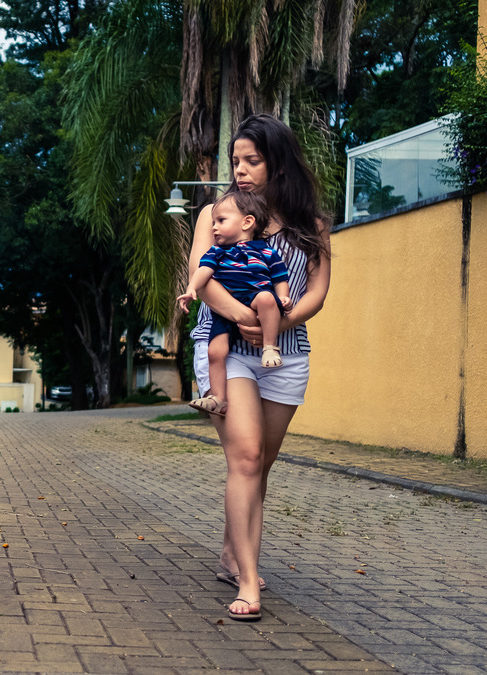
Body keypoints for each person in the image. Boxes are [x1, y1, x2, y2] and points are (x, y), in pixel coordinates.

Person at [186, 114, 331, 620]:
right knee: (245, 457)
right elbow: (202, 277)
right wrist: (246, 317)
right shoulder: (216, 213)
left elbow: (317, 290)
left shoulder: (309, 223)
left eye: (252, 160)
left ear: (278, 162)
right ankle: (249, 580)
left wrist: (282, 320)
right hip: (226, 347)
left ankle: (232, 551)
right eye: (235, 161)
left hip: (286, 353)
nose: (241, 170)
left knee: (261, 463)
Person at [177, 190, 292, 418]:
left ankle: (269, 348)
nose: (214, 227)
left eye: (221, 221)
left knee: (268, 298)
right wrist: (191, 288)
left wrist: (284, 296)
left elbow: (280, 277)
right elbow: (203, 271)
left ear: (247, 222)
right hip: (226, 312)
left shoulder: (267, 251)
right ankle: (218, 398)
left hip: (257, 299)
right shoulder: (217, 252)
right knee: (214, 352)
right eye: (213, 222)